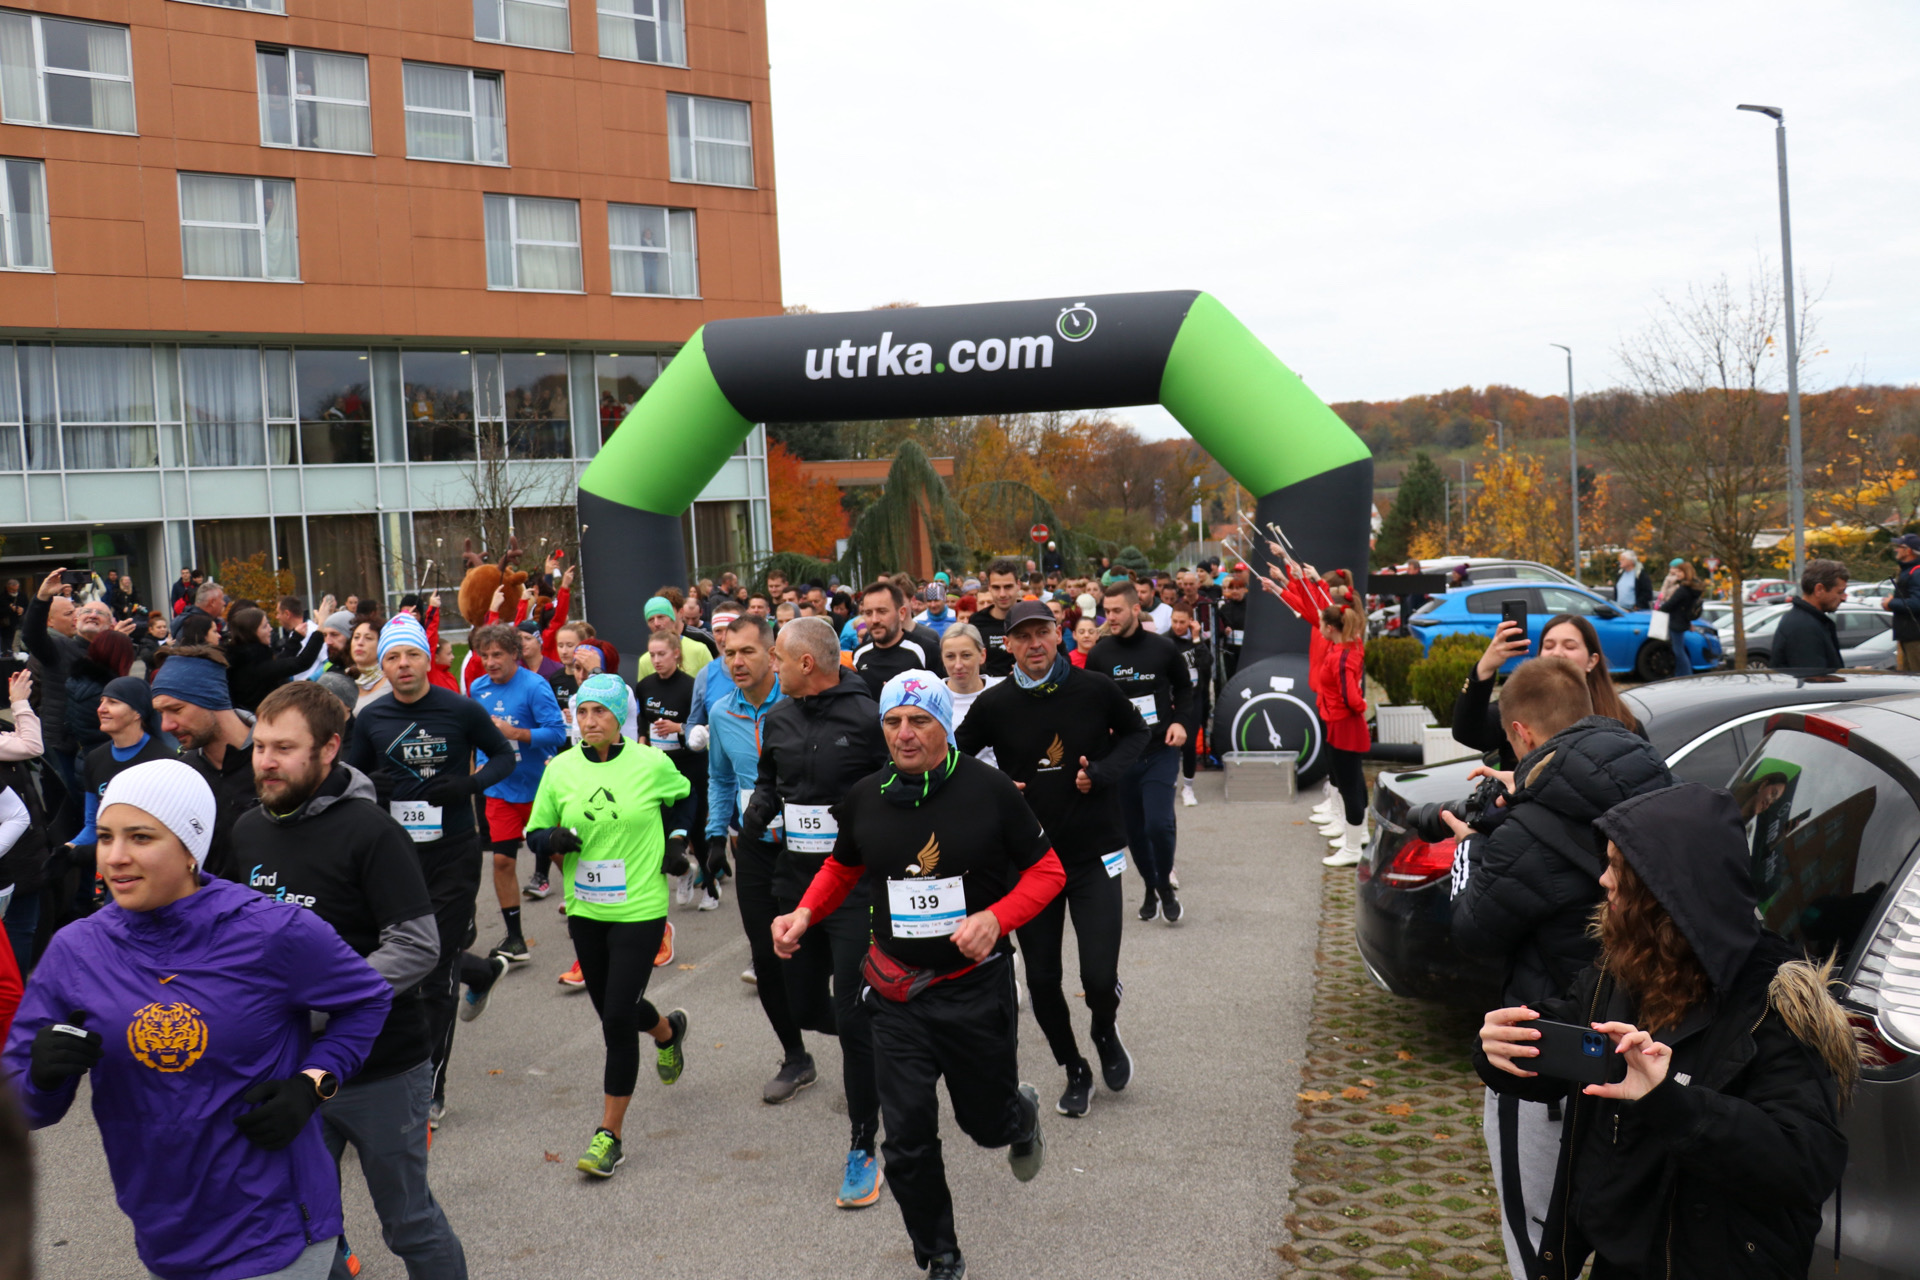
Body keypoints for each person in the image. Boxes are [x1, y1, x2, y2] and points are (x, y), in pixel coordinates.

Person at [3, 759, 394, 1280]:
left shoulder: (273, 931)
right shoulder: (76, 951)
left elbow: (367, 999)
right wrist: (42, 1075)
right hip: (165, 1230)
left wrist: (312, 1084)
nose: (115, 858)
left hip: (275, 1226)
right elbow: (22, 1105)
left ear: (191, 849)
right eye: (105, 837)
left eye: (141, 837)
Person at [1475, 783, 1852, 1279]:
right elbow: (1569, 1035)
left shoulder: (1776, 1003)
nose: (1603, 879)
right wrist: (1503, 1050)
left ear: (1666, 887)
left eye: (1618, 869)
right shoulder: (1629, 962)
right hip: (1622, 1256)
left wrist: (1670, 1101)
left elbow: (1805, 1163)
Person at [774, 672, 1064, 1278]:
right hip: (896, 993)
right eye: (893, 722)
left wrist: (995, 916)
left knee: (986, 1128)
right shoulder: (866, 796)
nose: (904, 734)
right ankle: (941, 1256)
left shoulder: (989, 791)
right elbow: (842, 865)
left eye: (920, 721)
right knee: (905, 1145)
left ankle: (1019, 1114)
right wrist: (805, 912)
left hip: (973, 991)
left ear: (945, 724)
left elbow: (1047, 872)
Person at [1442, 657, 1673, 1280]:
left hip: (1549, 1055)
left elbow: (1468, 930)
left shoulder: (1520, 832)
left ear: (1518, 733)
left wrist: (1470, 845)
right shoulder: (1656, 782)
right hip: (1653, 1054)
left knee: (1538, 1239)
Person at [241, 682, 467, 1279]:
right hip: (287, 1068)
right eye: (260, 745)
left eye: (284, 747)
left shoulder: (371, 831)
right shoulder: (245, 833)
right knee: (307, 1227)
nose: (266, 760)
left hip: (382, 1069)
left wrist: (318, 998)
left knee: (408, 1223)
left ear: (329, 748)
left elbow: (417, 947)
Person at [956, 600, 1149, 1117]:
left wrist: (1103, 772)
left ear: (1058, 634)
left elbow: (1137, 733)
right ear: (1009, 646)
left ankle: (1104, 1031)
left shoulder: (1095, 687)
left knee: (1098, 977)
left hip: (1094, 853)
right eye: (1023, 637)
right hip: (1032, 863)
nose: (1034, 643)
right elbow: (955, 755)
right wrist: (997, 788)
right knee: (1041, 980)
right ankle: (1074, 1068)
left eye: (1042, 632)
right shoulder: (995, 704)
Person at [740, 616, 889, 1209]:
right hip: (796, 886)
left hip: (855, 890)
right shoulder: (777, 717)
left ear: (806, 664)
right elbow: (770, 780)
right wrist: (759, 808)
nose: (772, 666)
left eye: (778, 657)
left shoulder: (870, 716)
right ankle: (888, 1035)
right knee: (802, 1005)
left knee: (851, 1020)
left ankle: (862, 1146)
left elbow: (898, 786)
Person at [347, 614, 516, 1126]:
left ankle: (430, 1089)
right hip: (394, 854)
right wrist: (377, 787)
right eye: (392, 658)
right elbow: (351, 776)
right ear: (383, 666)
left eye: (411, 655)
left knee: (432, 973)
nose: (402, 665)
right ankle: (483, 970)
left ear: (427, 658)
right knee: (399, 956)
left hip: (453, 851)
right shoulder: (371, 719)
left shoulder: (460, 709)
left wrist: (467, 787)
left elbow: (503, 757)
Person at [528, 674, 693, 1178]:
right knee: (613, 1009)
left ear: (620, 717)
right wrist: (553, 836)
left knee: (616, 1018)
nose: (589, 722)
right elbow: (534, 833)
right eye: (582, 713)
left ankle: (609, 1136)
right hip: (586, 909)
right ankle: (667, 1032)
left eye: (600, 712)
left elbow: (684, 796)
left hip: (641, 906)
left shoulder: (651, 763)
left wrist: (677, 840)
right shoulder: (560, 770)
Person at [705, 614, 815, 1100]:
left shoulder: (799, 702)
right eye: (728, 653)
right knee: (766, 956)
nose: (736, 662)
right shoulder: (720, 712)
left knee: (818, 956)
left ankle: (868, 1033)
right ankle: (795, 1057)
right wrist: (713, 836)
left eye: (747, 651)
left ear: (772, 656)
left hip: (811, 847)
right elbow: (722, 779)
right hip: (753, 845)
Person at [1086, 579, 1195, 923]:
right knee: (1134, 831)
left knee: (1158, 825)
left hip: (1160, 749)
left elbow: (1186, 689)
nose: (1110, 618)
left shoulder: (1162, 649)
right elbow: (1090, 706)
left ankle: (1163, 884)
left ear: (1136, 609)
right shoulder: (1100, 655)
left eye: (1116, 611)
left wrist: (1181, 723)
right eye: (1106, 612)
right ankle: (1152, 885)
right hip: (1123, 755)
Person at [465, 623, 567, 962]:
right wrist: (478, 764)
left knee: (559, 855)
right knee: (503, 860)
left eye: (497, 655)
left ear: (514, 654)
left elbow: (556, 733)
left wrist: (517, 733)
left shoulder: (535, 686)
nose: (490, 662)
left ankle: (597, 907)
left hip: (538, 789)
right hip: (500, 789)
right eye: (484, 655)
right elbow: (475, 735)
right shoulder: (477, 689)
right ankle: (514, 938)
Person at [1454, 615, 1644, 771]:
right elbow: (1468, 732)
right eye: (1548, 646)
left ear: (1592, 661)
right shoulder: (1518, 707)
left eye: (1569, 647)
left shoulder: (1623, 723)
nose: (1557, 653)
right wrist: (1484, 668)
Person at [150, 645, 258, 881]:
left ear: (212, 699)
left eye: (175, 709)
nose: (165, 726)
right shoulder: (182, 773)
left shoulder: (273, 761)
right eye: (160, 713)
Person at [636, 630, 712, 911]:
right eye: (652, 655)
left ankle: (711, 890)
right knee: (662, 829)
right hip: (660, 768)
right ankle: (682, 872)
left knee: (696, 829)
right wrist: (643, 740)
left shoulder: (691, 686)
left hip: (691, 764)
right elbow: (642, 720)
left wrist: (678, 728)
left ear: (676, 653)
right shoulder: (644, 686)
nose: (656, 660)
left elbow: (704, 725)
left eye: (662, 654)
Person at [1315, 605, 1373, 868]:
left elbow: (1351, 697)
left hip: (1344, 724)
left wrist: (1358, 706)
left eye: (1321, 623)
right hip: (1343, 723)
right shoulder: (1351, 647)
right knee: (1354, 781)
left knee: (1350, 786)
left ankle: (1352, 847)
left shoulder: (1342, 656)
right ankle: (1358, 833)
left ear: (1330, 628)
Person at [852, 580, 946, 697]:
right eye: (868, 613)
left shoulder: (926, 650)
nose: (874, 620)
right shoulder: (859, 655)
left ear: (901, 613)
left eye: (882, 611)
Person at [226, 604, 327, 712]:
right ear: (251, 633)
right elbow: (302, 662)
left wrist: (296, 638)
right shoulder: (254, 665)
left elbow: (278, 663)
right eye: (265, 626)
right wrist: (320, 629)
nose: (270, 629)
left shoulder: (246, 657)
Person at [1769, 558, 1849, 673]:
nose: (1844, 597)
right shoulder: (1804, 627)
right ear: (1819, 589)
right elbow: (1814, 681)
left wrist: (1853, 673)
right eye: (1840, 592)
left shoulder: (1804, 620)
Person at [1167, 601, 1212, 806]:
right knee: (1169, 744)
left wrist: (1196, 638)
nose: (1178, 626)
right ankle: (1169, 781)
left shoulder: (1197, 641)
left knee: (1190, 744)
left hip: (1194, 699)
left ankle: (1188, 786)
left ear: (1191, 622)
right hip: (1170, 700)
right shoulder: (1164, 641)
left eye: (1182, 622)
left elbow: (1206, 663)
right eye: (1175, 621)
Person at [941, 625, 1001, 770]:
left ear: (983, 655)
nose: (958, 665)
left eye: (966, 655)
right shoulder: (934, 696)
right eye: (950, 656)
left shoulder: (1001, 691)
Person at [634, 592, 715, 681]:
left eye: (661, 617)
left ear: (672, 618)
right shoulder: (644, 661)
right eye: (651, 620)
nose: (656, 623)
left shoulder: (699, 650)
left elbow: (714, 686)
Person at [968, 558, 1024, 678]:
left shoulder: (1033, 617)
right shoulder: (976, 622)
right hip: (990, 689)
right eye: (996, 587)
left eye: (1008, 587)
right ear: (989, 587)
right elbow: (971, 660)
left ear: (1018, 585)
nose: (1002, 594)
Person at [1656, 559, 1701, 677]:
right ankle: (1680, 674)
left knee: (1678, 651)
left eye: (1680, 573)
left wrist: (1660, 608)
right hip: (1683, 620)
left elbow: (1670, 604)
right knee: (1679, 649)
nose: (1677, 575)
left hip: (1676, 621)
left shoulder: (1683, 589)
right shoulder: (1693, 588)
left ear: (1686, 573)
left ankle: (1686, 674)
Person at [1884, 532, 1920, 670]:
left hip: (1915, 639)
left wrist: (1891, 603)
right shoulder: (1909, 571)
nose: (1895, 549)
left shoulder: (1916, 572)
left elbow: (1917, 603)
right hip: (1909, 637)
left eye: (1899, 546)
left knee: (1915, 682)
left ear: (1908, 550)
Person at [1215, 571, 1248, 679]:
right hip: (1230, 651)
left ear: (1244, 589)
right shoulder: (1224, 608)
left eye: (1238, 588)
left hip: (1246, 650)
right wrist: (1224, 630)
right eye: (1232, 588)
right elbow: (1218, 629)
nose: (1234, 591)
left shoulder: (1250, 607)